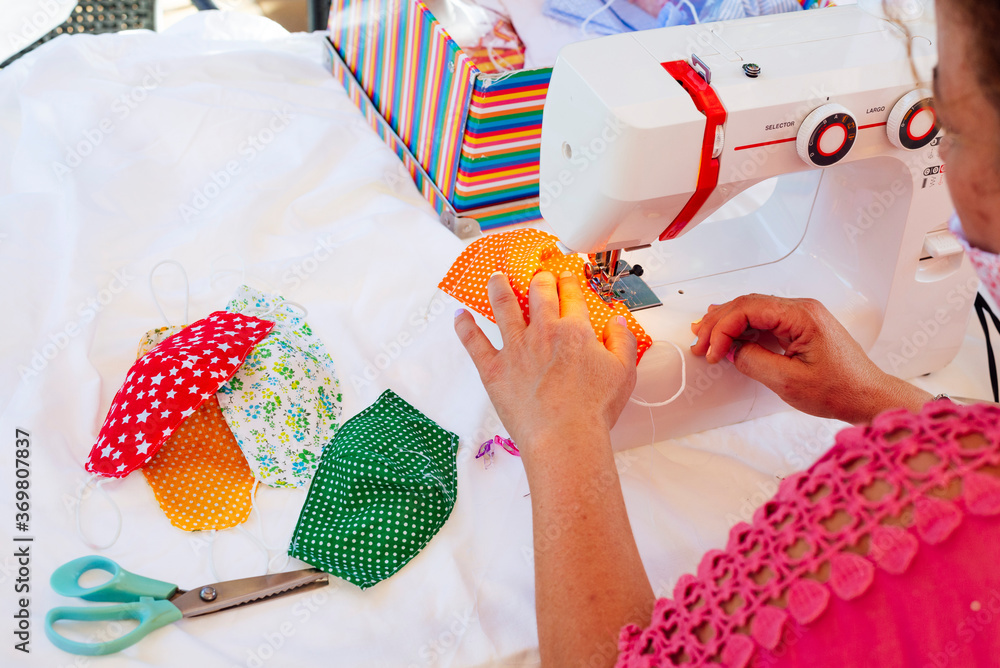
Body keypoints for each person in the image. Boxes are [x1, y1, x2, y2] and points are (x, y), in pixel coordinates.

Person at [453, 0, 1000, 664]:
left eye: (956, 128)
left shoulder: (908, 513)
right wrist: (885, 400)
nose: (943, 144)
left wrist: (561, 434)